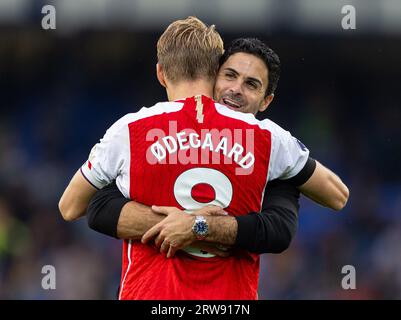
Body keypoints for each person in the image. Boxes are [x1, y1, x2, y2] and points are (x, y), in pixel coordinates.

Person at [59, 17, 349, 299]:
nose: (236, 89)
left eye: (251, 84)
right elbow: (337, 196)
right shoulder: (268, 139)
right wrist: (200, 225)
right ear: (216, 72)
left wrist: (184, 224)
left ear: (161, 73)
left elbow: (70, 207)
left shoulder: (129, 130)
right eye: (232, 76)